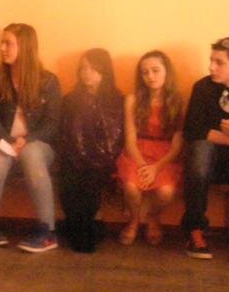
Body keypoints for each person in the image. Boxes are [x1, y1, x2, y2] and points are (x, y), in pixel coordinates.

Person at [0, 23, 61, 253]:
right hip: (3, 141)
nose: (2, 48)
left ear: (24, 47)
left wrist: (26, 140)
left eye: (8, 43)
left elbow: (52, 125)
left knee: (31, 153)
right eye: (2, 42)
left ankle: (47, 231)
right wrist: (8, 141)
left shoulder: (48, 82)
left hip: (37, 144)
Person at [58, 49, 124, 253]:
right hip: (74, 158)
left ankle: (83, 229)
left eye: (93, 68)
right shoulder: (70, 100)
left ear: (104, 71)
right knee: (69, 182)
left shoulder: (116, 100)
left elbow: (115, 138)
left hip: (104, 160)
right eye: (83, 68)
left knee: (90, 181)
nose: (86, 73)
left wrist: (95, 159)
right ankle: (81, 228)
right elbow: (65, 134)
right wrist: (75, 157)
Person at [116, 50, 183, 246]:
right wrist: (144, 166)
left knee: (166, 192)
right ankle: (134, 220)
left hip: (165, 155)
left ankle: (153, 218)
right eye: (145, 72)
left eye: (155, 70)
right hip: (137, 151)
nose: (150, 76)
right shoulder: (132, 99)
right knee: (131, 187)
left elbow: (177, 145)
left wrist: (156, 168)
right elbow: (130, 140)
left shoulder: (177, 101)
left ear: (166, 71)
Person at [180, 37, 229, 259]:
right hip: (208, 159)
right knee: (200, 151)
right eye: (211, 61)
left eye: (219, 62)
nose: (211, 67)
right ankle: (195, 229)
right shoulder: (203, 88)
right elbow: (193, 130)